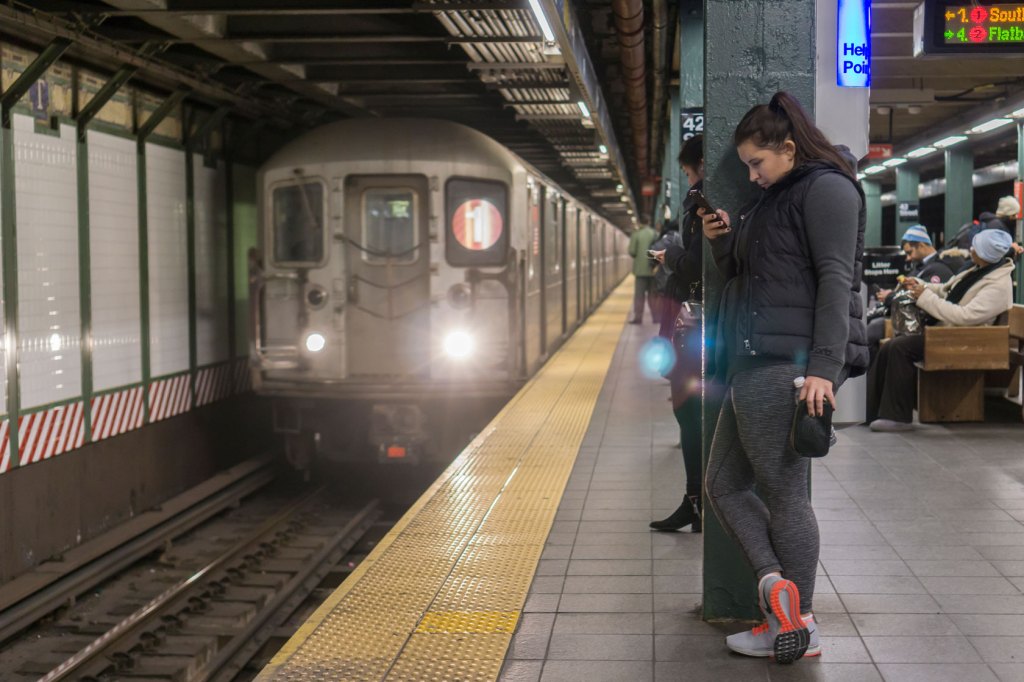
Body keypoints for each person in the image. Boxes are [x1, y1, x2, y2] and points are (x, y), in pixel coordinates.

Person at [699, 92, 867, 663]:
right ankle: (778, 592)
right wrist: (724, 242)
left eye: (757, 163)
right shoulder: (772, 200)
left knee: (786, 492)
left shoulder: (828, 189)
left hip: (787, 365)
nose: (752, 174)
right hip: (751, 360)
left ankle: (799, 624)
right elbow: (752, 280)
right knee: (721, 485)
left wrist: (824, 367)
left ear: (789, 148)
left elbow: (837, 278)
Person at [866, 229, 1015, 432]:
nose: (970, 249)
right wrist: (919, 285)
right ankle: (873, 411)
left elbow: (964, 316)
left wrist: (924, 298)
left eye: (975, 247)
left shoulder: (997, 285)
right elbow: (946, 290)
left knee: (900, 348)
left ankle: (898, 417)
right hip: (947, 333)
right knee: (889, 346)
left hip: (963, 341)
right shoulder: (978, 270)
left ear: (986, 254)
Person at [649, 134, 705, 532]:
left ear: (699, 164)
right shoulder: (703, 202)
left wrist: (670, 256)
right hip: (696, 328)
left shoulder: (704, 203)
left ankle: (698, 503)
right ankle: (696, 501)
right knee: (689, 414)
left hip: (699, 331)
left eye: (687, 172)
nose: (687, 181)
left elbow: (699, 265)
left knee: (689, 414)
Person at [866, 225, 957, 355]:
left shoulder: (939, 269)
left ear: (921, 245)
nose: (908, 258)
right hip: (907, 319)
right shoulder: (923, 267)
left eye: (909, 252)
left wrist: (890, 297)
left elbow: (920, 299)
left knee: (874, 330)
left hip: (921, 324)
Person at [627, 222, 660, 324]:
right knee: (653, 296)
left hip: (640, 271)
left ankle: (638, 318)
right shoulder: (655, 234)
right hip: (653, 270)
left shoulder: (637, 234)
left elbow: (632, 251)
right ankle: (655, 317)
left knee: (639, 295)